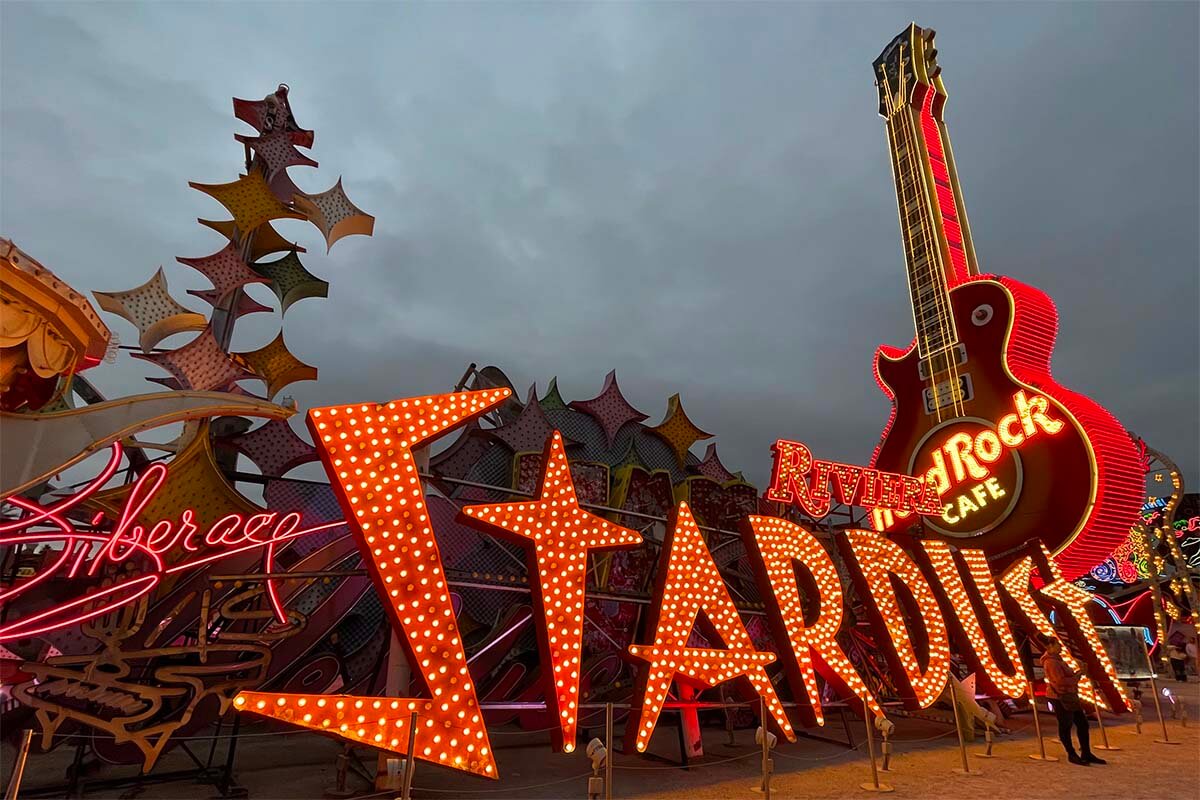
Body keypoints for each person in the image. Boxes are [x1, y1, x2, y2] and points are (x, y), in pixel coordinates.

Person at [1040, 636, 1106, 766]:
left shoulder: (1057, 660)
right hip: (1060, 697)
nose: (1060, 647)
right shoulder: (1051, 662)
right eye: (1057, 644)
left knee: (1081, 723)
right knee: (1067, 725)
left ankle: (1085, 752)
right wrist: (1077, 677)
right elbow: (1060, 681)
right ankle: (1072, 753)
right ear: (1050, 647)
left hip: (1068, 695)